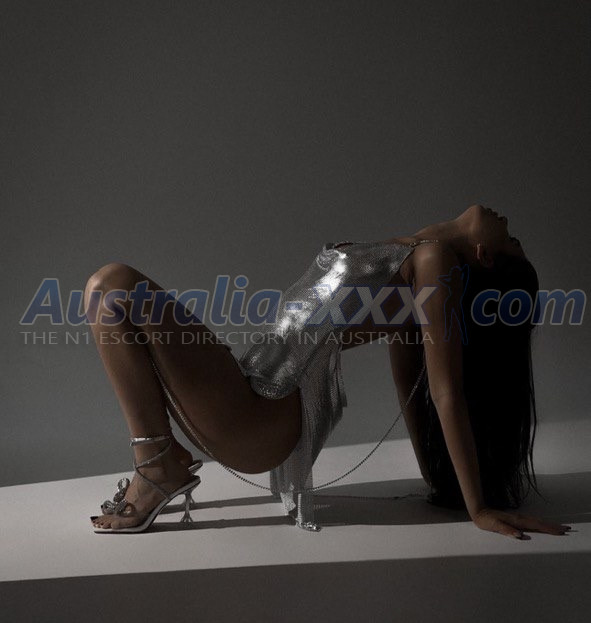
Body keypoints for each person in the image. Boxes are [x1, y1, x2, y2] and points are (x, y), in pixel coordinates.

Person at [87, 204, 571, 538]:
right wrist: (435, 476)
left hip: (262, 414)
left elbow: (446, 393)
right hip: (249, 391)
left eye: (512, 240)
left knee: (114, 285)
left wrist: (478, 508)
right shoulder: (415, 257)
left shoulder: (435, 262)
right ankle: (160, 460)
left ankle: (156, 466)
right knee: (104, 292)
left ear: (485, 256)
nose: (508, 220)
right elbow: (407, 380)